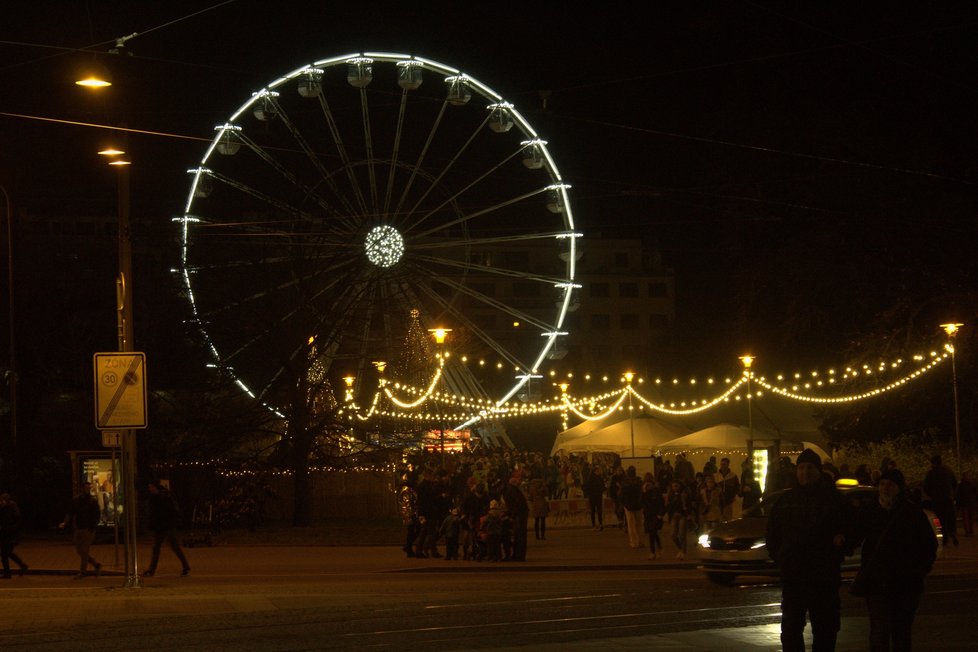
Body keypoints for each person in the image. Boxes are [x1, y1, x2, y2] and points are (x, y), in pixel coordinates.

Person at [766, 448, 854, 652]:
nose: (805, 472)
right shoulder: (786, 501)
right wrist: (782, 558)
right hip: (794, 575)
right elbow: (773, 533)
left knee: (825, 629)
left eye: (809, 468)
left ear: (818, 470)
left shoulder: (834, 500)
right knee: (791, 629)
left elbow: (852, 527)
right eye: (802, 468)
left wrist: (841, 543)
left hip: (824, 575)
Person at [853, 468, 937, 651]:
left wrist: (918, 571)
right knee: (879, 632)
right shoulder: (870, 511)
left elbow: (929, 545)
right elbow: (856, 536)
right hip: (877, 583)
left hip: (905, 583)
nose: (885, 488)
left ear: (899, 488)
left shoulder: (911, 513)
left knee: (901, 632)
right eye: (882, 484)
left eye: (890, 485)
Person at [143, 481, 191, 577]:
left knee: (172, 547)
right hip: (161, 526)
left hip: (166, 526)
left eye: (151, 487)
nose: (149, 489)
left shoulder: (163, 497)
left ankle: (185, 566)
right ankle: (152, 570)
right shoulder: (156, 498)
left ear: (155, 487)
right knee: (160, 548)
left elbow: (169, 511)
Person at [59, 481, 103, 579]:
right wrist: (65, 522)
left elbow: (97, 515)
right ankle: (96, 565)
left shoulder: (93, 501)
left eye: (89, 488)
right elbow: (70, 512)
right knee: (80, 551)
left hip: (88, 529)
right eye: (86, 488)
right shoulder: (77, 500)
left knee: (84, 550)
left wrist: (93, 526)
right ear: (82, 488)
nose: (88, 490)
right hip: (79, 528)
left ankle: (83, 572)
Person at [923, 454, 958, 547]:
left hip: (937, 500)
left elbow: (926, 486)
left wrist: (931, 495)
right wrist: (952, 494)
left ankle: (944, 538)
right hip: (948, 498)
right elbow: (955, 483)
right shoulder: (948, 471)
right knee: (950, 518)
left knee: (941, 520)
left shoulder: (931, 473)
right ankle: (953, 533)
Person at [502, 472, 529, 561]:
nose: (520, 481)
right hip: (520, 516)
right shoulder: (515, 490)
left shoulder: (512, 490)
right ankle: (519, 555)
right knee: (519, 536)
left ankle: (518, 555)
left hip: (518, 516)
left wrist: (510, 515)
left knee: (518, 536)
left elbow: (515, 504)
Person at [0, 493, 28, 578]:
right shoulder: (4, 509)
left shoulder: (12, 509)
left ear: (7, 501)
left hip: (11, 535)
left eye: (2, 501)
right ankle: (22, 566)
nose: (1, 502)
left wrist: (9, 530)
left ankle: (8, 573)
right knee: (7, 553)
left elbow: (17, 522)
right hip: (5, 534)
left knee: (5, 554)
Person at [665, 479, 691, 559]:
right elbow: (669, 507)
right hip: (674, 517)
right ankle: (681, 549)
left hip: (682, 516)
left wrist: (688, 514)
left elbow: (688, 505)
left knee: (682, 534)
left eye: (676, 486)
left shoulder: (684, 495)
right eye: (673, 486)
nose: (675, 488)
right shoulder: (670, 495)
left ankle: (683, 551)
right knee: (673, 535)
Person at [620, 466, 644, 548]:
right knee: (639, 524)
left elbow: (621, 495)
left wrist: (624, 504)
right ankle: (640, 541)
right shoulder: (639, 481)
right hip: (639, 505)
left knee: (631, 525)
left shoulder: (625, 482)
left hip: (628, 506)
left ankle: (634, 542)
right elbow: (642, 492)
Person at [641, 474, 665, 560]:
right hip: (649, 515)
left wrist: (660, 514)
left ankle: (654, 551)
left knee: (652, 532)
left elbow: (661, 504)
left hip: (655, 515)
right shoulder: (645, 493)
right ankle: (657, 549)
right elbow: (642, 503)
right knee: (652, 533)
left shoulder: (656, 492)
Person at [397, 475, 419, 558]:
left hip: (411, 513)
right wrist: (411, 514)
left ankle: (408, 547)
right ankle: (408, 547)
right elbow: (407, 503)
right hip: (409, 514)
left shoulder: (410, 489)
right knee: (413, 530)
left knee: (413, 531)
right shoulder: (406, 490)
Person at [528, 474, 549, 540]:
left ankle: (537, 536)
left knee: (536, 521)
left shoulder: (532, 487)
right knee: (543, 521)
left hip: (535, 504)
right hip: (542, 504)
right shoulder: (543, 486)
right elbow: (547, 494)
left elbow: (530, 497)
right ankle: (543, 535)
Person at [957, 471, 976, 537]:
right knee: (970, 518)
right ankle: (970, 531)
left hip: (964, 503)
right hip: (970, 502)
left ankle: (968, 532)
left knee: (966, 518)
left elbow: (958, 495)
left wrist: (958, 504)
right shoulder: (972, 484)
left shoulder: (961, 485)